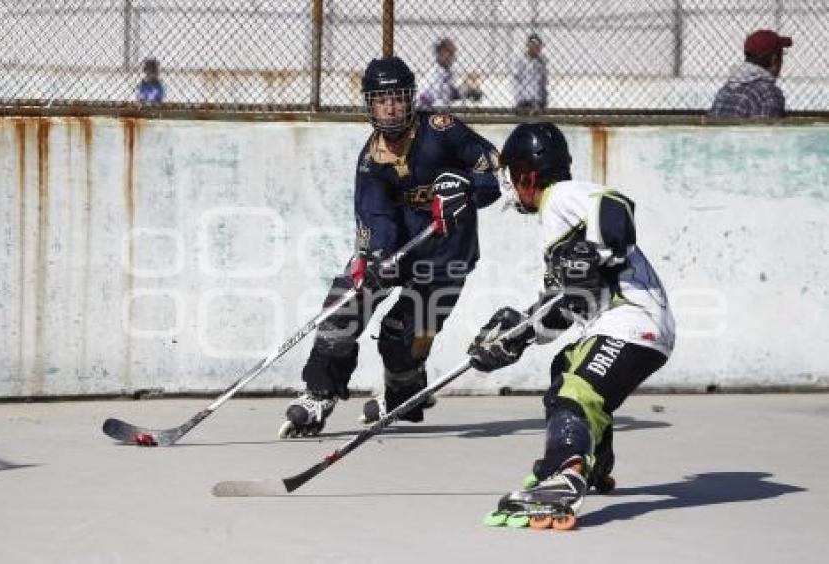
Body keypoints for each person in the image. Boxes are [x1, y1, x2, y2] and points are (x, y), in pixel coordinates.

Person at [278, 56, 502, 438]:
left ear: (411, 99)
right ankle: (320, 392)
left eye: (398, 98)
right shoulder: (371, 162)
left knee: (403, 336)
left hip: (446, 257)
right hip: (400, 250)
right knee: (345, 302)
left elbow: (493, 168)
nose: (391, 107)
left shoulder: (441, 130)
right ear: (370, 104)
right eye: (382, 99)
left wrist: (464, 187)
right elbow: (375, 217)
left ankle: (404, 396)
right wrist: (373, 257)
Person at [467, 122, 676, 529]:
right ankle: (592, 461)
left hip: (633, 319)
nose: (508, 186)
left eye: (510, 174)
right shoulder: (554, 223)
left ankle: (567, 472)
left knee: (575, 392)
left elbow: (614, 205)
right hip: (618, 323)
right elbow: (565, 306)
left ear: (527, 175)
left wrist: (595, 251)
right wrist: (519, 335)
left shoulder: (561, 196)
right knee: (564, 367)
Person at [709, 29, 792, 118]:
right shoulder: (768, 94)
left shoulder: (726, 90)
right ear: (774, 59)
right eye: (782, 55)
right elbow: (767, 130)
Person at [417, 38, 482, 110]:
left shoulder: (448, 72)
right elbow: (426, 99)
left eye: (452, 53)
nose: (451, 56)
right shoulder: (434, 75)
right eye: (448, 52)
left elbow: (450, 93)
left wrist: (468, 92)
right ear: (439, 53)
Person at [513, 33, 549, 111]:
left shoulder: (541, 62)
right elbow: (517, 80)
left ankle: (534, 104)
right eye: (534, 45)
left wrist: (543, 98)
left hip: (537, 98)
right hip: (522, 97)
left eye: (538, 46)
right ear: (528, 45)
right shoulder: (521, 60)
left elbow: (543, 82)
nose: (537, 48)